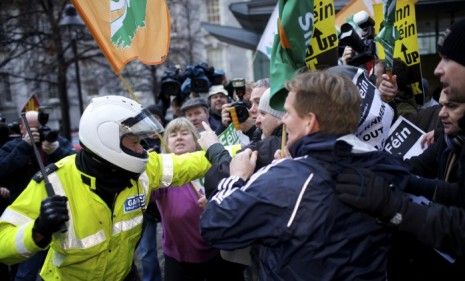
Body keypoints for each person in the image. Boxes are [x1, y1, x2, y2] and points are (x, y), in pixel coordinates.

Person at [200, 71, 410, 280]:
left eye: (288, 113)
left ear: (309, 121)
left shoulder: (286, 179)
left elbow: (214, 223)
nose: (284, 121)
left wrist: (236, 177)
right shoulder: (385, 165)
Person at [0, 95, 212, 280]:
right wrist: (37, 231)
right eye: (135, 142)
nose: (142, 149)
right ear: (108, 141)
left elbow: (191, 163)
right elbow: (3, 242)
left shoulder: (145, 169)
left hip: (124, 275)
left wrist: (238, 151)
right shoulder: (54, 182)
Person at [335, 17, 465, 264]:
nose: (437, 69)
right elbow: (418, 168)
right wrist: (382, 167)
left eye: (447, 59)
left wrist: (393, 207)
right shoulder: (449, 138)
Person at [153, 117, 244, 281]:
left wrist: (215, 202)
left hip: (217, 254)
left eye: (184, 133)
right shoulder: (160, 175)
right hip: (178, 260)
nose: (179, 137)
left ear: (196, 141)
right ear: (166, 143)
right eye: (173, 135)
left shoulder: (213, 166)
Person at [0, 110, 74, 281]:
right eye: (32, 128)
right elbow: (2, 169)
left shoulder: (55, 142)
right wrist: (25, 146)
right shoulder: (12, 146)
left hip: (61, 214)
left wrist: (56, 151)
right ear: (21, 127)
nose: (38, 131)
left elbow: (76, 164)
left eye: (39, 127)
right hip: (28, 219)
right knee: (26, 273)